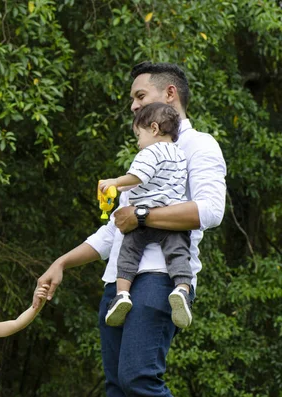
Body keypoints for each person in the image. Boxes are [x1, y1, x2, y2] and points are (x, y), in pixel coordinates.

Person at [35, 62, 226, 396]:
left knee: (138, 380)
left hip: (160, 279)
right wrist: (61, 262)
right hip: (117, 283)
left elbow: (211, 210)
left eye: (140, 96)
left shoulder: (200, 145)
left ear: (170, 94)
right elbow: (114, 230)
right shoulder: (143, 157)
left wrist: (140, 214)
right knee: (118, 388)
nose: (134, 106)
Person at [99, 103, 193, 329]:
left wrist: (115, 182)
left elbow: (138, 176)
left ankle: (122, 295)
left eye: (138, 135)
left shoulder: (150, 151)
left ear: (153, 128)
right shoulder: (180, 155)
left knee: (128, 255)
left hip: (143, 218)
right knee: (179, 255)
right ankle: (181, 289)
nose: (138, 142)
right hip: (169, 219)